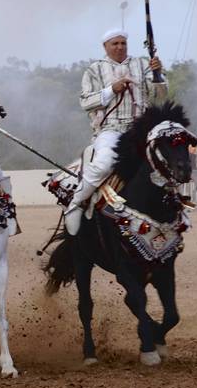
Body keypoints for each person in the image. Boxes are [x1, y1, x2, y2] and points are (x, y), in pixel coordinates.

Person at [63, 27, 166, 235]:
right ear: (105, 47)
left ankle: (171, 209)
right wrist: (112, 90)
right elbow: (85, 102)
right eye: (115, 44)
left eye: (123, 43)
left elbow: (161, 97)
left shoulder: (142, 64)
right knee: (104, 164)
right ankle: (76, 203)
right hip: (110, 130)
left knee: (166, 162)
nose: (120, 47)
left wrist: (157, 74)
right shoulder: (94, 69)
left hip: (141, 129)